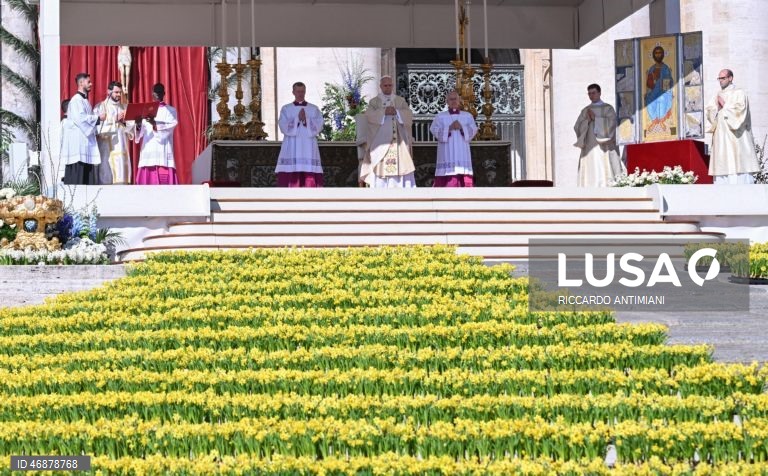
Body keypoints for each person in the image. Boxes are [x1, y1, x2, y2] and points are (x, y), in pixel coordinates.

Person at [358, 76, 416, 188]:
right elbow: (369, 115)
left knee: (402, 158)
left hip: (398, 139)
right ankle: (381, 186)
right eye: (385, 85)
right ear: (380, 86)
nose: (388, 88)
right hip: (380, 140)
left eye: (390, 85)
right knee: (378, 156)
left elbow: (409, 114)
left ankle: (400, 187)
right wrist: (384, 112)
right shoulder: (374, 101)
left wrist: (398, 112)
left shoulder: (400, 100)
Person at [705, 69, 760, 184]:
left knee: (737, 163)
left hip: (735, 136)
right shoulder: (716, 95)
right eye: (719, 78)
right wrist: (716, 110)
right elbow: (709, 111)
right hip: (721, 136)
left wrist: (724, 106)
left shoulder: (739, 93)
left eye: (723, 78)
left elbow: (741, 111)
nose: (720, 81)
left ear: (730, 78)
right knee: (722, 163)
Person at [573, 83, 626, 187]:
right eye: (589, 93)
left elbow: (612, 123)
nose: (591, 95)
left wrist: (596, 119)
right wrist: (587, 121)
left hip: (604, 146)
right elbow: (577, 126)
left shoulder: (608, 108)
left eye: (593, 93)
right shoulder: (585, 110)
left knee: (604, 166)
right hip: (589, 145)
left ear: (599, 93)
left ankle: (607, 184)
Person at [275, 82, 324, 187]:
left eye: (302, 91)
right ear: (293, 92)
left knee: (309, 169)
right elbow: (283, 126)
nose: (300, 94)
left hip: (308, 144)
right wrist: (297, 119)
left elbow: (319, 125)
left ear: (305, 92)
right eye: (298, 91)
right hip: (292, 144)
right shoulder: (286, 108)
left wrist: (306, 119)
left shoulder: (313, 108)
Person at [61, 72, 104, 185]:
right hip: (78, 147)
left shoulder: (85, 101)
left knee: (86, 180)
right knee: (78, 179)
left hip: (85, 145)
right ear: (81, 83)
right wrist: (98, 118)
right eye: (88, 82)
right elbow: (81, 119)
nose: (91, 84)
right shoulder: (76, 100)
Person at [429, 90, 478, 187]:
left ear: (459, 100)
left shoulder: (467, 116)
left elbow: (473, 130)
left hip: (462, 151)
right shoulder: (440, 116)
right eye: (451, 99)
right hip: (446, 151)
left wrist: (462, 128)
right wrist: (449, 128)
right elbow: (434, 130)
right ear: (447, 102)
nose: (453, 101)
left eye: (455, 99)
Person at [135, 83, 178, 185]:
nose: (157, 94)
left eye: (160, 92)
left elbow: (169, 128)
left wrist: (154, 124)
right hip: (148, 150)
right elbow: (140, 134)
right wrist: (138, 124)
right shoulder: (145, 110)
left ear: (164, 93)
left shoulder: (171, 111)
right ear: (152, 94)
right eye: (155, 92)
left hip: (163, 151)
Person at [95, 81, 132, 185]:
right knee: (107, 179)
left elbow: (131, 131)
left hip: (122, 149)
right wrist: (114, 120)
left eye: (120, 92)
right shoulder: (101, 107)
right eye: (116, 92)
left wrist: (125, 122)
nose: (119, 95)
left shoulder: (124, 108)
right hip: (107, 150)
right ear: (108, 92)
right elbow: (97, 129)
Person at [645, 46, 674, 132]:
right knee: (649, 101)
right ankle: (654, 121)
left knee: (661, 99)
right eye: (656, 53)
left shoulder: (665, 68)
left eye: (659, 53)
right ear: (653, 55)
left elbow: (668, 83)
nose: (658, 55)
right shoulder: (652, 68)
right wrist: (652, 79)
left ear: (662, 55)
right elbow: (649, 84)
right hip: (653, 91)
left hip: (663, 92)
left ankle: (661, 121)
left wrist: (661, 82)